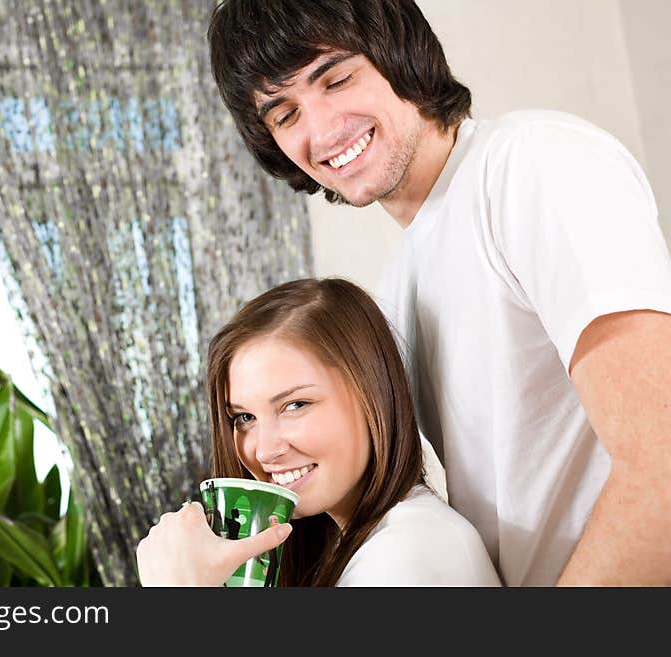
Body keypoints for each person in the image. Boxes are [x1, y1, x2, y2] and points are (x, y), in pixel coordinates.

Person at [206, 0, 671, 586]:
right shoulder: (401, 281)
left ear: (398, 54)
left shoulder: (531, 165)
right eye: (285, 114)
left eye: (338, 78)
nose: (320, 130)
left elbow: (664, 464)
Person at [136, 277, 501, 586]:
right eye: (244, 418)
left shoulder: (410, 554)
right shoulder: (346, 543)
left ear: (372, 393)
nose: (264, 451)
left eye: (295, 405)